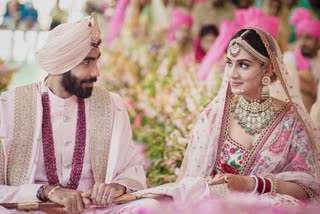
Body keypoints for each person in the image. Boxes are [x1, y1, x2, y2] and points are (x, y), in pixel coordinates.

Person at [132, 27, 320, 206]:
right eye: (229, 63)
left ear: (268, 69)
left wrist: (251, 184)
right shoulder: (214, 117)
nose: (232, 73)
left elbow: (306, 187)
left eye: (243, 65)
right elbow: (196, 183)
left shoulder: (290, 120)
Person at [0, 13, 150, 213]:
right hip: (33, 209)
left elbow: (133, 168)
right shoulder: (9, 106)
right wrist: (46, 191)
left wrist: (118, 186)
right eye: (86, 63)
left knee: (149, 207)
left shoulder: (111, 104)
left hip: (95, 209)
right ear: (61, 64)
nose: (96, 73)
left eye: (95, 62)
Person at [286, 8, 320, 112]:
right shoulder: (290, 57)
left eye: (308, 38)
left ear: (318, 40)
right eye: (301, 37)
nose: (303, 42)